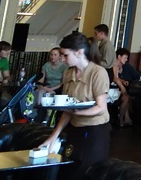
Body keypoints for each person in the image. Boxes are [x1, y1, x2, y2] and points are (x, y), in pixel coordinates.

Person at [39, 32, 110, 178]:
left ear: (79, 52)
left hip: (95, 130)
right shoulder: (68, 74)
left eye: (65, 55)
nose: (62, 59)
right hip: (75, 128)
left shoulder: (98, 72)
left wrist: (77, 112)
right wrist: (53, 137)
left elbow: (101, 107)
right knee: (69, 169)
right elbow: (66, 110)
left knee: (88, 172)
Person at [114, 47, 140, 127]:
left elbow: (137, 75)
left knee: (127, 97)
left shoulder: (126, 66)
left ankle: (126, 119)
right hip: (111, 88)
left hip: (117, 88)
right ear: (119, 57)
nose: (126, 59)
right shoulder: (113, 65)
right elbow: (114, 78)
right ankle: (121, 120)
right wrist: (122, 86)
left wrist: (123, 81)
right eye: (125, 57)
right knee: (126, 98)